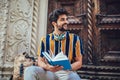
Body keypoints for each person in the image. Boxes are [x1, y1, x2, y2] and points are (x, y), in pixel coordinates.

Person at [24, 8, 84, 80]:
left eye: (66, 19)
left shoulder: (75, 39)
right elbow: (40, 61)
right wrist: (48, 67)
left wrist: (65, 67)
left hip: (68, 73)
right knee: (30, 70)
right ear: (54, 23)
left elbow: (79, 62)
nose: (66, 22)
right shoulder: (45, 40)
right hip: (50, 73)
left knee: (75, 78)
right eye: (62, 19)